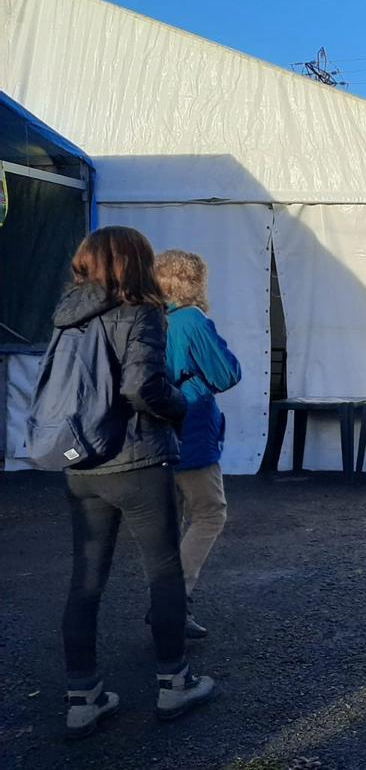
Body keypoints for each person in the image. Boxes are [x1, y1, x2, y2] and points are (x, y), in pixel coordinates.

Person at [50, 227, 216, 740]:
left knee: (85, 581)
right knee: (164, 574)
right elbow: (143, 387)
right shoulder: (141, 312)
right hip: (137, 459)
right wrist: (180, 407)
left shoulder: (66, 315)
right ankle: (174, 683)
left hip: (81, 462)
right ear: (135, 263)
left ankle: (83, 698)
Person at [154, 250, 242, 639]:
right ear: (193, 282)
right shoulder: (191, 319)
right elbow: (226, 374)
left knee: (167, 524)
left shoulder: (149, 319)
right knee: (209, 513)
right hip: (190, 429)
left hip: (155, 434)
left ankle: (164, 602)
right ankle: (173, 602)